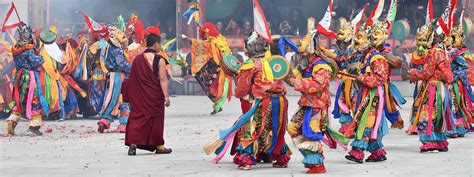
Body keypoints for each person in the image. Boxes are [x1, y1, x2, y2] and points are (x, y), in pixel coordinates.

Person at [286, 30, 349, 174]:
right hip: (306, 103)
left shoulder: (321, 66)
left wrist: (294, 81)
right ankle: (312, 158)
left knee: (311, 133)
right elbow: (295, 77)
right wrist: (286, 77)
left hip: (317, 106)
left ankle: (317, 164)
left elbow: (316, 85)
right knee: (293, 127)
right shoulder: (305, 62)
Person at [124, 31, 172, 155]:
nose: (160, 46)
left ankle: (133, 144)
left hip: (139, 96)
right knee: (156, 119)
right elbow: (162, 79)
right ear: (156, 44)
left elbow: (133, 79)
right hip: (154, 96)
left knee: (137, 117)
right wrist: (166, 96)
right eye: (159, 44)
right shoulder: (159, 59)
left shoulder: (138, 59)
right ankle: (159, 145)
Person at [6, 22, 47, 136]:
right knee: (34, 100)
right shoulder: (29, 49)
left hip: (19, 76)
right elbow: (35, 62)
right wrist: (41, 58)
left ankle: (12, 121)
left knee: (20, 101)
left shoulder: (16, 48)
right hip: (29, 77)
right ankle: (34, 126)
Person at [96, 26, 131, 133]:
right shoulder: (118, 51)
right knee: (124, 99)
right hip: (119, 76)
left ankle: (104, 121)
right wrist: (134, 67)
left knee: (112, 99)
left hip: (112, 75)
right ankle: (123, 124)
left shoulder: (109, 48)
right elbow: (122, 65)